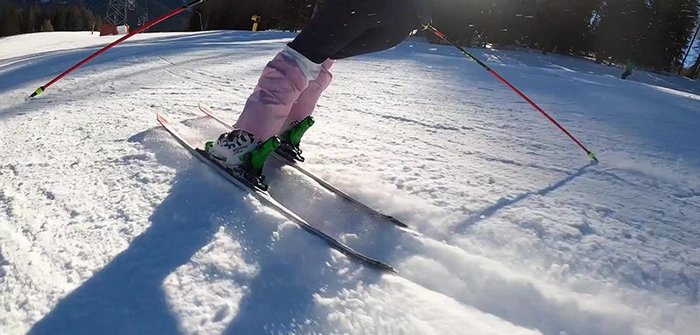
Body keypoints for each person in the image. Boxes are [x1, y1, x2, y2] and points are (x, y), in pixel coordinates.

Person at [206, 0, 427, 187]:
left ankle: (245, 143)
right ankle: (287, 126)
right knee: (318, 57)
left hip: (362, 6)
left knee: (295, 61)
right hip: (400, 22)